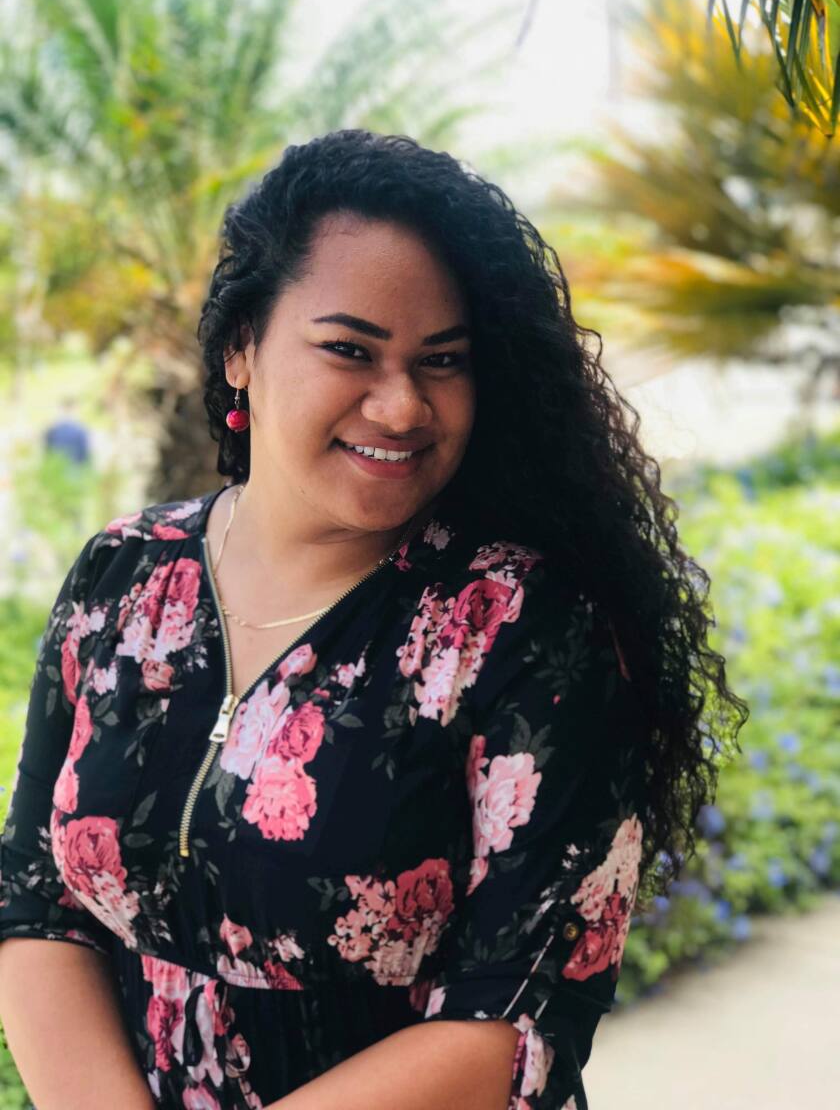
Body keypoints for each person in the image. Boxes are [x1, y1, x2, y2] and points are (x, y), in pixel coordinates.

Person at [0, 130, 748, 1110]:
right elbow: (36, 902)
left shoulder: (523, 627)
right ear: (241, 348)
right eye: (349, 349)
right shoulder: (123, 576)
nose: (401, 407)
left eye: (443, 361)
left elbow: (511, 1025)